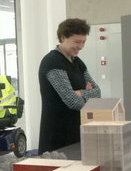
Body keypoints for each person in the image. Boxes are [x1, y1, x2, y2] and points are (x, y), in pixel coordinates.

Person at [38, 18, 101, 154]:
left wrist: (80, 93)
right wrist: (85, 92)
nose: (80, 46)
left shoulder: (77, 62)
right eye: (76, 42)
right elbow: (72, 101)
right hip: (57, 136)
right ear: (62, 38)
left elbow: (98, 92)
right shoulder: (53, 62)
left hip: (77, 131)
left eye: (83, 42)